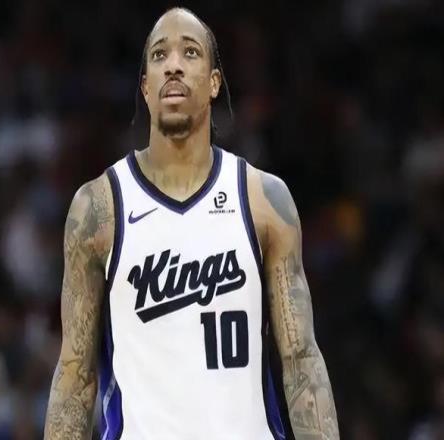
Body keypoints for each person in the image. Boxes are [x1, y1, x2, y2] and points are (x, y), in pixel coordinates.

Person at [44, 7, 339, 440]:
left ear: (215, 82)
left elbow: (301, 360)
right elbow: (75, 376)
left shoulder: (263, 200)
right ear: (145, 87)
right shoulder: (99, 208)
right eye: (159, 55)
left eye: (190, 52)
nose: (174, 65)